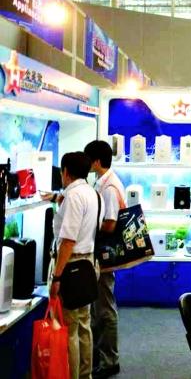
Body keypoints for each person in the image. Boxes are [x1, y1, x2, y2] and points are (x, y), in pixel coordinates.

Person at [50, 151, 105, 379]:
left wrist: (57, 276)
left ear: (65, 172)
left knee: (71, 327)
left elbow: (68, 241)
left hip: (71, 265)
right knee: (84, 323)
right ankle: (85, 374)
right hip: (88, 264)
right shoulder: (94, 194)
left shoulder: (73, 197)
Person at [84, 140, 126, 379]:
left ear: (97, 161)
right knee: (100, 307)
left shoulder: (109, 187)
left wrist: (86, 226)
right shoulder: (105, 182)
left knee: (105, 308)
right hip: (102, 254)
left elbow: (109, 223)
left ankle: (110, 361)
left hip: (104, 254)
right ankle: (103, 357)